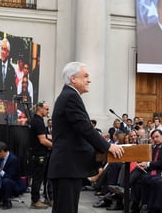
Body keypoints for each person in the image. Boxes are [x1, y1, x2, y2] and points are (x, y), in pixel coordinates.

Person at [47, 62, 123, 213]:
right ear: (73, 79)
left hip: (68, 166)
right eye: (86, 76)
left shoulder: (68, 95)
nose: (89, 80)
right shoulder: (70, 97)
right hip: (67, 166)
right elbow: (85, 128)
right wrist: (108, 146)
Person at [29, 101, 52, 209]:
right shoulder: (37, 121)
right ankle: (35, 201)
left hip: (40, 154)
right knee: (38, 179)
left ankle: (45, 198)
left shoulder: (39, 120)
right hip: (39, 155)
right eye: (46, 109)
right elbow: (42, 140)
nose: (48, 111)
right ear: (40, 109)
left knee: (43, 178)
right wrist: (56, 146)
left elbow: (44, 136)